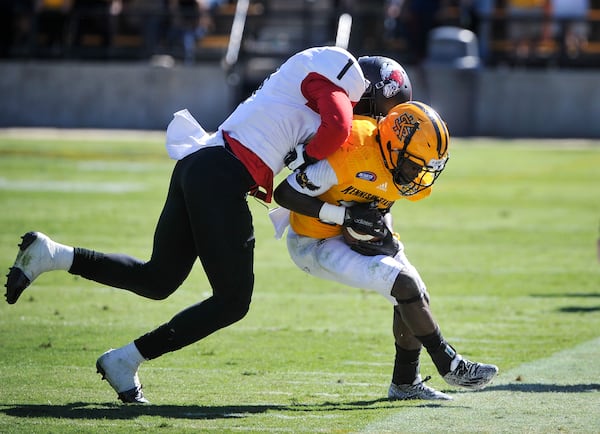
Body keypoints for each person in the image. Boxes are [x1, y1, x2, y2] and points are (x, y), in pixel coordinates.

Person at [4, 45, 367, 404]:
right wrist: (307, 156)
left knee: (158, 279)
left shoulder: (303, 82)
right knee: (233, 302)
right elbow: (337, 127)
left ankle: (53, 255)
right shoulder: (332, 75)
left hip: (201, 164)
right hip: (222, 174)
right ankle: (125, 360)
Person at [272, 100, 499, 400]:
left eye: (426, 167)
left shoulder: (400, 165)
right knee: (403, 285)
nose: (420, 174)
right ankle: (450, 365)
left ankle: (405, 383)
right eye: (416, 164)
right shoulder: (351, 154)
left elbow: (379, 198)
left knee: (415, 293)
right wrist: (346, 217)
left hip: (350, 232)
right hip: (312, 241)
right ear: (394, 146)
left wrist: (376, 230)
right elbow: (285, 193)